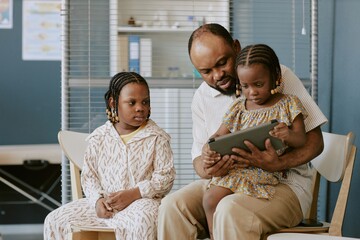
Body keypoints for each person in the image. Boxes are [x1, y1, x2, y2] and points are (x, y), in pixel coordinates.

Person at [158, 23, 327, 240]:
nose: (217, 75)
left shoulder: (277, 75)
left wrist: (279, 163)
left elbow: (315, 142)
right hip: (228, 181)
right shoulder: (202, 97)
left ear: (236, 48)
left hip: (284, 183)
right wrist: (211, 165)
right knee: (171, 207)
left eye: (222, 63)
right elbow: (200, 163)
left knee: (230, 209)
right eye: (206, 71)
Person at [44, 72, 176, 240]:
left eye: (145, 102)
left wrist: (134, 193)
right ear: (113, 103)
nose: (140, 107)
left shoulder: (157, 137)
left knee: (143, 221)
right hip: (104, 204)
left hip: (141, 203)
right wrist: (97, 201)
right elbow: (90, 177)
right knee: (55, 220)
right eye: (132, 102)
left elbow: (165, 178)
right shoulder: (99, 137)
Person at [202, 44, 307, 239]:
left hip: (265, 172)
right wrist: (209, 149)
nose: (252, 92)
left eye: (259, 84)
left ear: (276, 78)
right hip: (237, 170)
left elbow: (302, 139)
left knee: (232, 206)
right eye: (245, 86)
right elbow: (217, 136)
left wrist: (288, 135)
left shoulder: (288, 104)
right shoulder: (238, 108)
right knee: (210, 199)